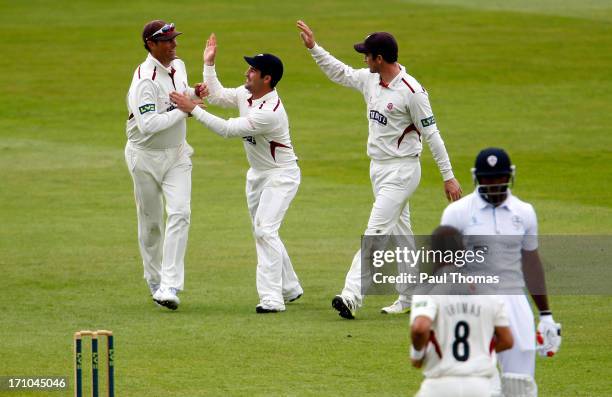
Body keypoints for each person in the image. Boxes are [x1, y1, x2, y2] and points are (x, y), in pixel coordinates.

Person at [296, 20, 462, 319]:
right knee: (401, 233)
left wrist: (448, 176)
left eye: (367, 54)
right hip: (378, 168)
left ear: (380, 59)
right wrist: (314, 48)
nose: (363, 59)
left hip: (402, 171)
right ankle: (411, 293)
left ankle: (351, 296)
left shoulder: (412, 92)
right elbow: (341, 72)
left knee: (375, 233)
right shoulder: (371, 80)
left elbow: (432, 135)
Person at [170, 33, 303, 313]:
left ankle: (272, 299)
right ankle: (290, 286)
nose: (247, 71)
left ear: (267, 79)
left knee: (265, 230)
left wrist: (192, 110)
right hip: (257, 175)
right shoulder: (247, 94)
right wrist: (209, 64)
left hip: (281, 174)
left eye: (253, 69)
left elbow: (229, 130)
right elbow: (217, 95)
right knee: (264, 231)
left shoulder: (271, 111)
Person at [440, 148, 562, 396]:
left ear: (509, 176)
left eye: (499, 178)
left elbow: (531, 263)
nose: (494, 184)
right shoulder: (457, 213)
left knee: (520, 386)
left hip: (515, 302)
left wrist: (546, 315)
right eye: (487, 179)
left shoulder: (524, 212)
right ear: (478, 178)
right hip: (471, 304)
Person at [125, 20, 206, 310]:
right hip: (144, 156)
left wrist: (194, 95)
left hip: (177, 155)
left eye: (174, 40)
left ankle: (170, 285)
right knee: (151, 225)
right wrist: (186, 111)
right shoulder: (144, 80)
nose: (174, 45)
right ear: (151, 44)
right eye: (167, 41)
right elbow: (148, 125)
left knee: (181, 212)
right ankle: (155, 280)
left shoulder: (179, 66)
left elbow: (179, 100)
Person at [410, 226, 514, 397]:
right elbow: (507, 340)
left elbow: (420, 327)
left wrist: (417, 355)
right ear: (463, 252)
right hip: (480, 386)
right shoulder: (487, 290)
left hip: (439, 385)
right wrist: (478, 352)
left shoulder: (426, 290)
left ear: (431, 253)